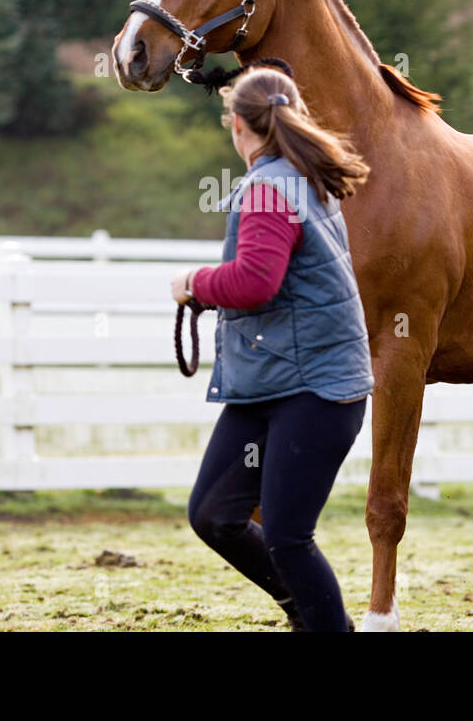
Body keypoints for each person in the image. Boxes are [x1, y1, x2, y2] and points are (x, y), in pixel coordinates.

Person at [170, 61, 374, 632]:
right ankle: (303, 614)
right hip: (274, 382)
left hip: (314, 389)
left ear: (238, 125)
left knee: (287, 535)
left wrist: (194, 284)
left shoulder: (269, 188)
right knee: (214, 513)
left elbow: (256, 282)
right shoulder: (301, 177)